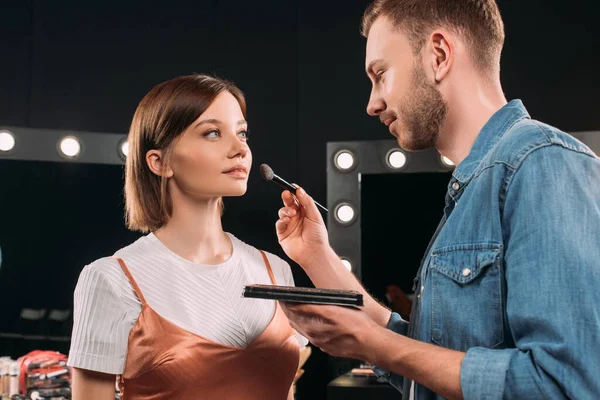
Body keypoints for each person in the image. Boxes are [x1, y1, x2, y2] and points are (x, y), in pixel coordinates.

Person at [273, 1, 600, 399]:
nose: (372, 103)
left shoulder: (541, 164)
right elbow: (424, 362)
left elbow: (564, 385)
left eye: (380, 74)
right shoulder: (472, 187)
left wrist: (377, 345)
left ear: (439, 55)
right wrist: (317, 257)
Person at [67, 74, 308, 400]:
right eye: (212, 133)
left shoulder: (275, 270)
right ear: (159, 161)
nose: (240, 149)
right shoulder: (111, 280)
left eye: (242, 133)